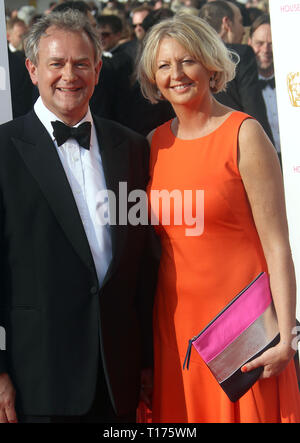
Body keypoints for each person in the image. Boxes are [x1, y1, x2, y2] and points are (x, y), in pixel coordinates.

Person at [137, 13, 300, 423]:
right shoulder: (155, 143)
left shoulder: (244, 134)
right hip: (177, 326)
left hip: (243, 331)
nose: (176, 74)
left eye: (187, 60)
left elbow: (278, 244)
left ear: (210, 64)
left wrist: (285, 335)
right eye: (163, 65)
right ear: (152, 78)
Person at [0, 9, 158, 423]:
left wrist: (146, 359)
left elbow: (141, 263)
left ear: (98, 69)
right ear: (32, 69)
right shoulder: (2, 151)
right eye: (56, 63)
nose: (69, 74)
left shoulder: (132, 147)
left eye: (81, 63)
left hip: (118, 376)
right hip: (38, 380)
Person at [199, 0, 274, 143]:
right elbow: (254, 109)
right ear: (227, 23)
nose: (243, 29)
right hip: (241, 143)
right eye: (240, 21)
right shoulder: (241, 54)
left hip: (205, 142)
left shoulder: (192, 57)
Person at [248, 14, 281, 160]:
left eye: (272, 44)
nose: (266, 50)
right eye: (259, 43)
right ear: (249, 43)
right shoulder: (242, 89)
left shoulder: (293, 83)